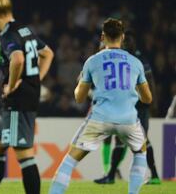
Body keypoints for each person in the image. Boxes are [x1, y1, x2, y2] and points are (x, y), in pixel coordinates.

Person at [49, 18, 152, 194]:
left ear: (102, 36)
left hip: (100, 118)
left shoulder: (92, 61)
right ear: (123, 37)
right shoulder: (136, 63)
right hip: (128, 119)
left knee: (70, 160)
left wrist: (80, 83)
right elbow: (148, 99)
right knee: (141, 151)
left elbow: (79, 98)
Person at [0, 0, 54, 194]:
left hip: (18, 100)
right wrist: (36, 78)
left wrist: (13, 85)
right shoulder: (24, 30)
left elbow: (18, 59)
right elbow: (48, 53)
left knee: (24, 155)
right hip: (20, 99)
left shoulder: (7, 35)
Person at [94, 30, 161, 184]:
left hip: (139, 106)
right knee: (121, 139)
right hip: (128, 105)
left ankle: (154, 176)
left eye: (127, 41)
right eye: (124, 41)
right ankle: (111, 175)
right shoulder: (126, 59)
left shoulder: (138, 60)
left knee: (140, 139)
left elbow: (150, 82)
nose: (125, 44)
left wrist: (152, 102)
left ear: (132, 43)